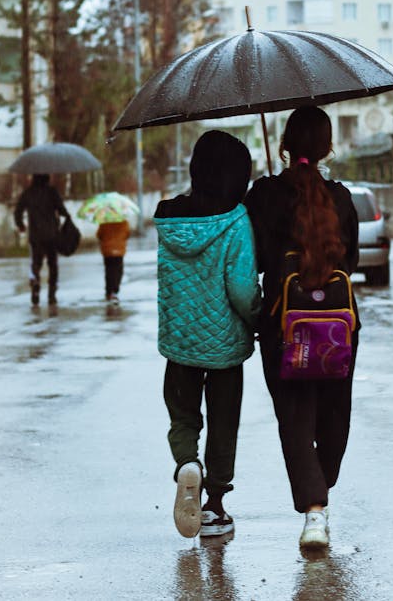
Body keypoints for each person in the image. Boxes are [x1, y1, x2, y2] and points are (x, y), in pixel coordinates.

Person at [245, 106, 360, 551]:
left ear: (286, 146)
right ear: (328, 147)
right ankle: (320, 492)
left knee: (294, 420)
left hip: (282, 325)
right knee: (334, 415)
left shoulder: (264, 194)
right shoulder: (343, 198)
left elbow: (252, 259)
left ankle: (315, 510)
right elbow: (348, 263)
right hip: (339, 325)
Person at [154, 130, 261, 540]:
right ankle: (215, 507)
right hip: (226, 348)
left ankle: (186, 464)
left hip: (179, 343)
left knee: (182, 416)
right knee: (223, 423)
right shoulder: (236, 220)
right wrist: (258, 318)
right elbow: (242, 288)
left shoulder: (169, 217)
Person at [14, 173, 70, 315]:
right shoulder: (52, 192)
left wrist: (21, 225)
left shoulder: (28, 193)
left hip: (35, 235)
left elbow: (18, 211)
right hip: (52, 234)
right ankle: (52, 295)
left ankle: (35, 284)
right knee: (53, 264)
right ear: (46, 178)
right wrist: (64, 219)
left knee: (36, 263)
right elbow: (62, 210)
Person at [96, 219, 130, 316]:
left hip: (107, 250)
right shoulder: (124, 222)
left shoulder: (104, 222)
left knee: (108, 270)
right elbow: (127, 234)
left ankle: (108, 291)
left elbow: (99, 235)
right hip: (119, 250)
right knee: (118, 270)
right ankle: (115, 290)